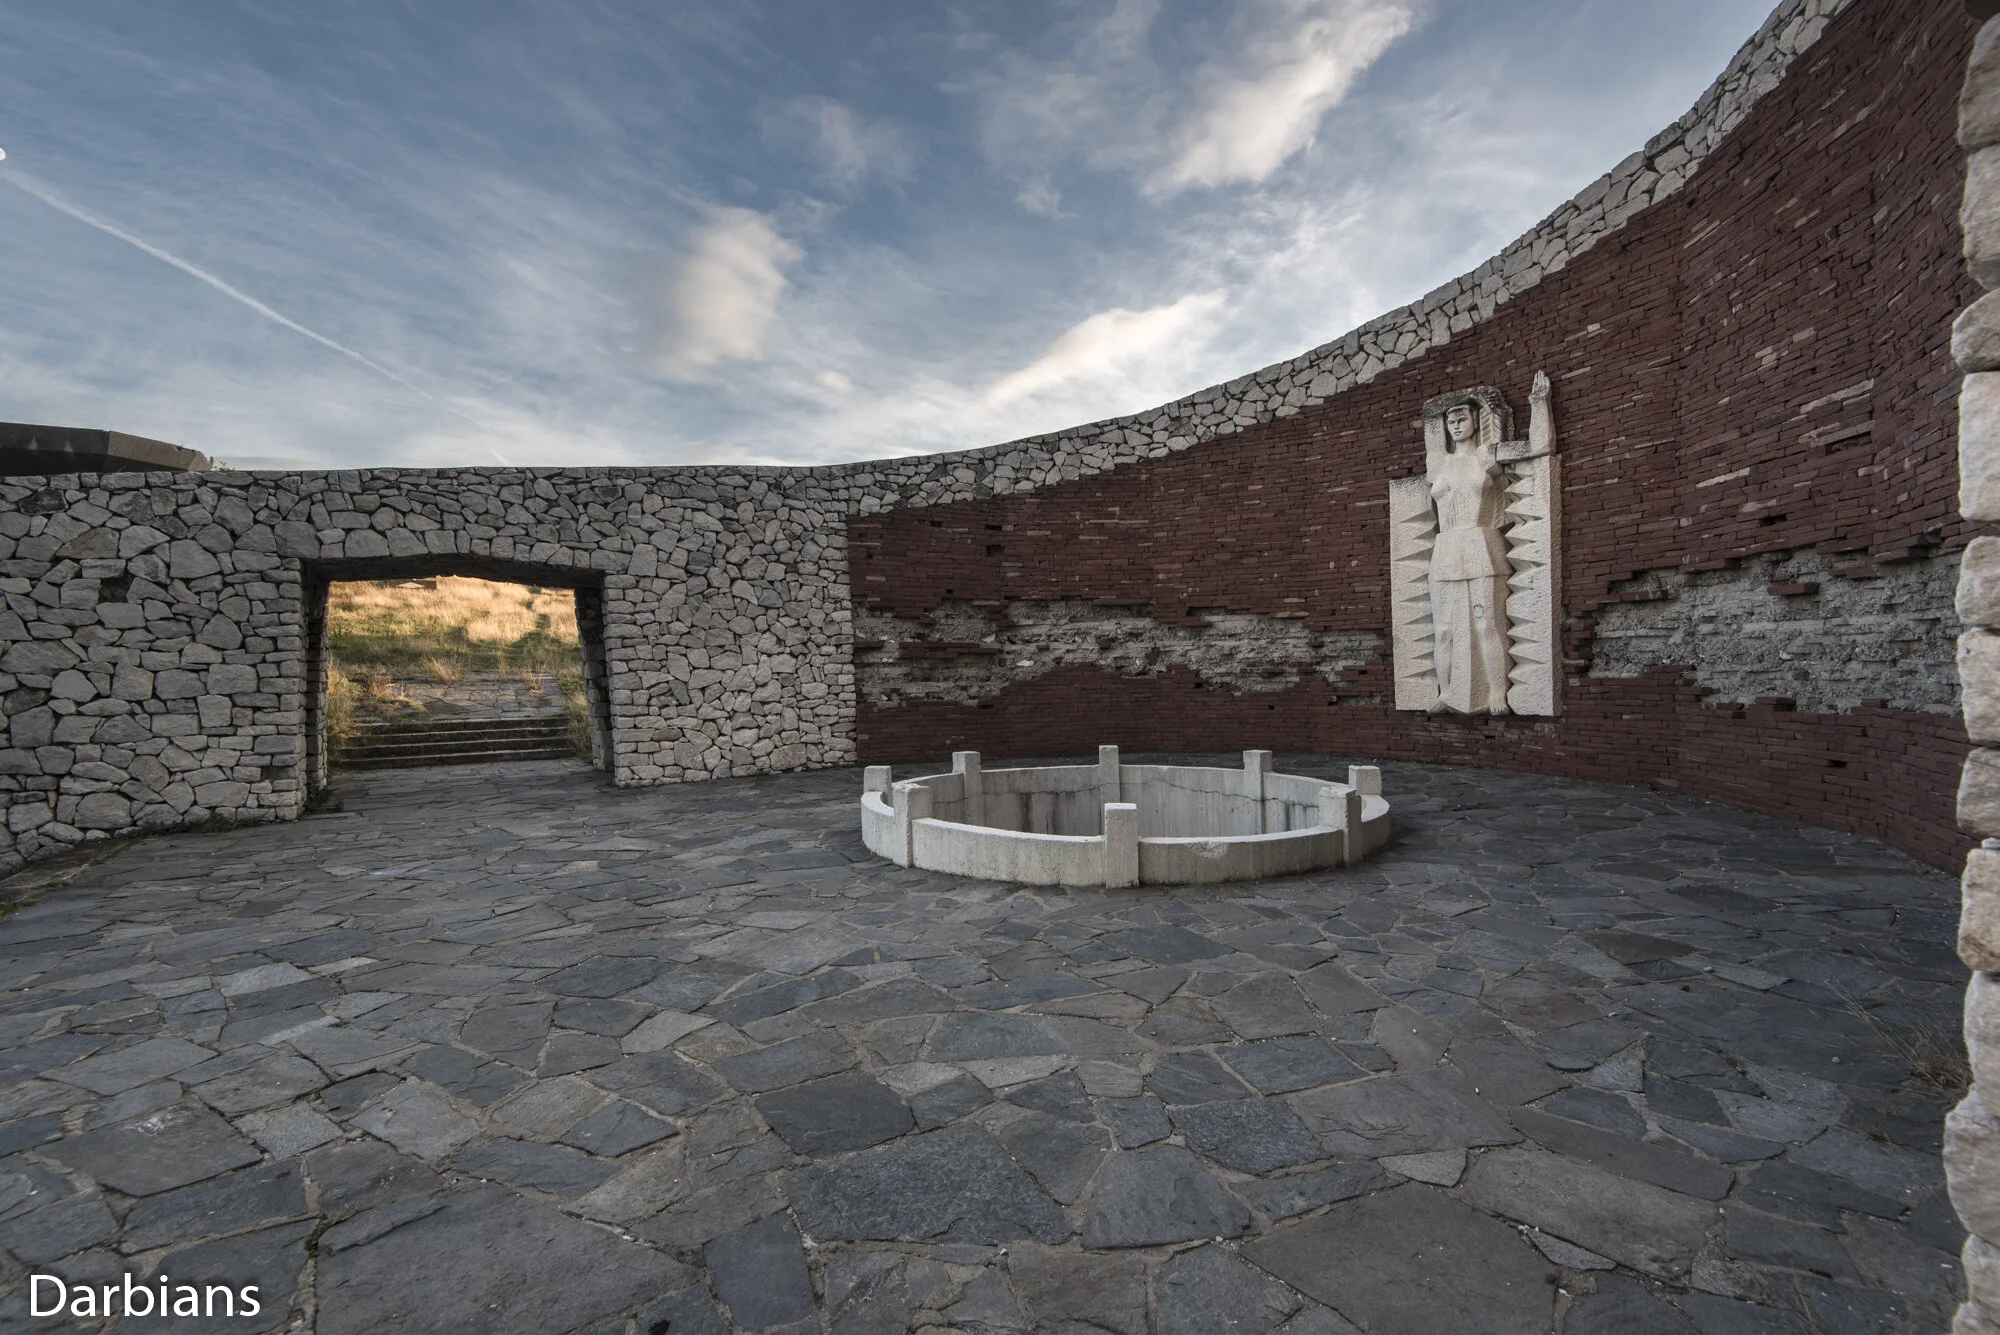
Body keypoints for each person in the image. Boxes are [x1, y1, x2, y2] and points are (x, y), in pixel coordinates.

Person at [1425, 371, 1549, 713]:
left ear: (1476, 420)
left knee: (1486, 624)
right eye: (1450, 421)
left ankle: (1496, 692)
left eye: (1462, 418)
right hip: (1445, 548)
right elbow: (1430, 420)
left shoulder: (1486, 456)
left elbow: (1539, 448)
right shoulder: (1438, 462)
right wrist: (1447, 407)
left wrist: (1538, 403)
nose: (1455, 425)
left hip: (1480, 542)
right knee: (1444, 630)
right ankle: (1446, 692)